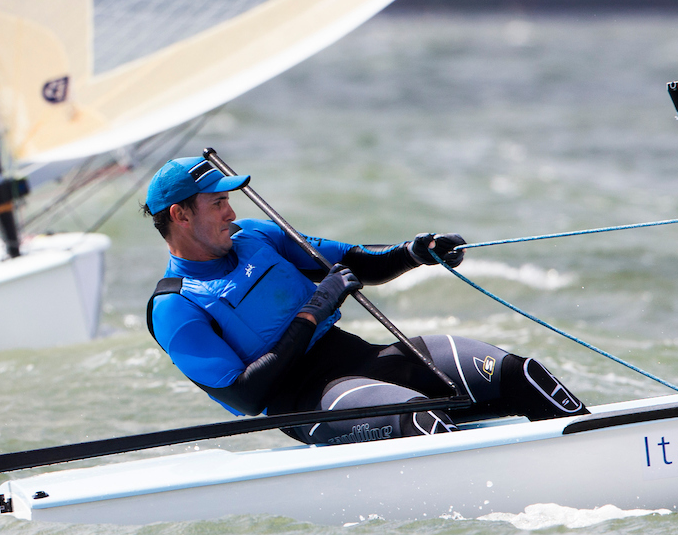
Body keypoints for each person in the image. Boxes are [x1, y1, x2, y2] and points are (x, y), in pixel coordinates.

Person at [142, 156, 587, 445]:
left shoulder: (259, 237)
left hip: (364, 358)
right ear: (181, 216)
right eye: (218, 204)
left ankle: (598, 452)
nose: (231, 213)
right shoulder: (176, 308)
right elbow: (245, 396)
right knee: (421, 421)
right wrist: (312, 309)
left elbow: (356, 260)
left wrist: (414, 253)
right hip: (308, 400)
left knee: (521, 374)